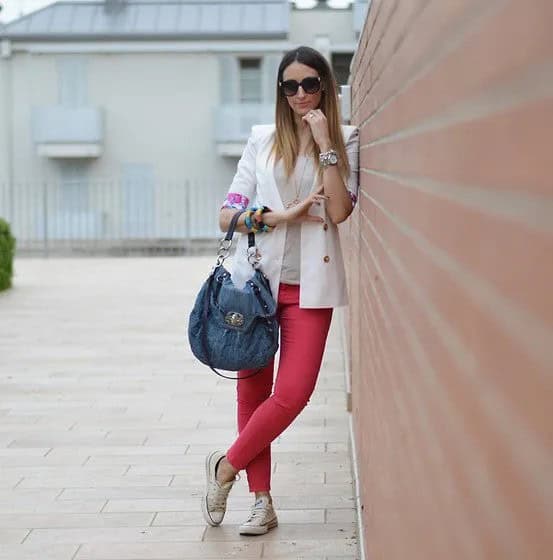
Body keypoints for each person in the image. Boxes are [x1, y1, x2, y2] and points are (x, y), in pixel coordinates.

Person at [201, 45, 359, 536]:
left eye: (310, 84)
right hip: (257, 289)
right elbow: (227, 215)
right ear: (280, 91)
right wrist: (276, 217)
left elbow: (339, 211)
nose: (299, 95)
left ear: (326, 88)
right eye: (289, 86)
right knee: (253, 391)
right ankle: (261, 501)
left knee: (292, 393)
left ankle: (225, 467)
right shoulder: (261, 141)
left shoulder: (346, 139)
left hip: (309, 286)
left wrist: (324, 141)